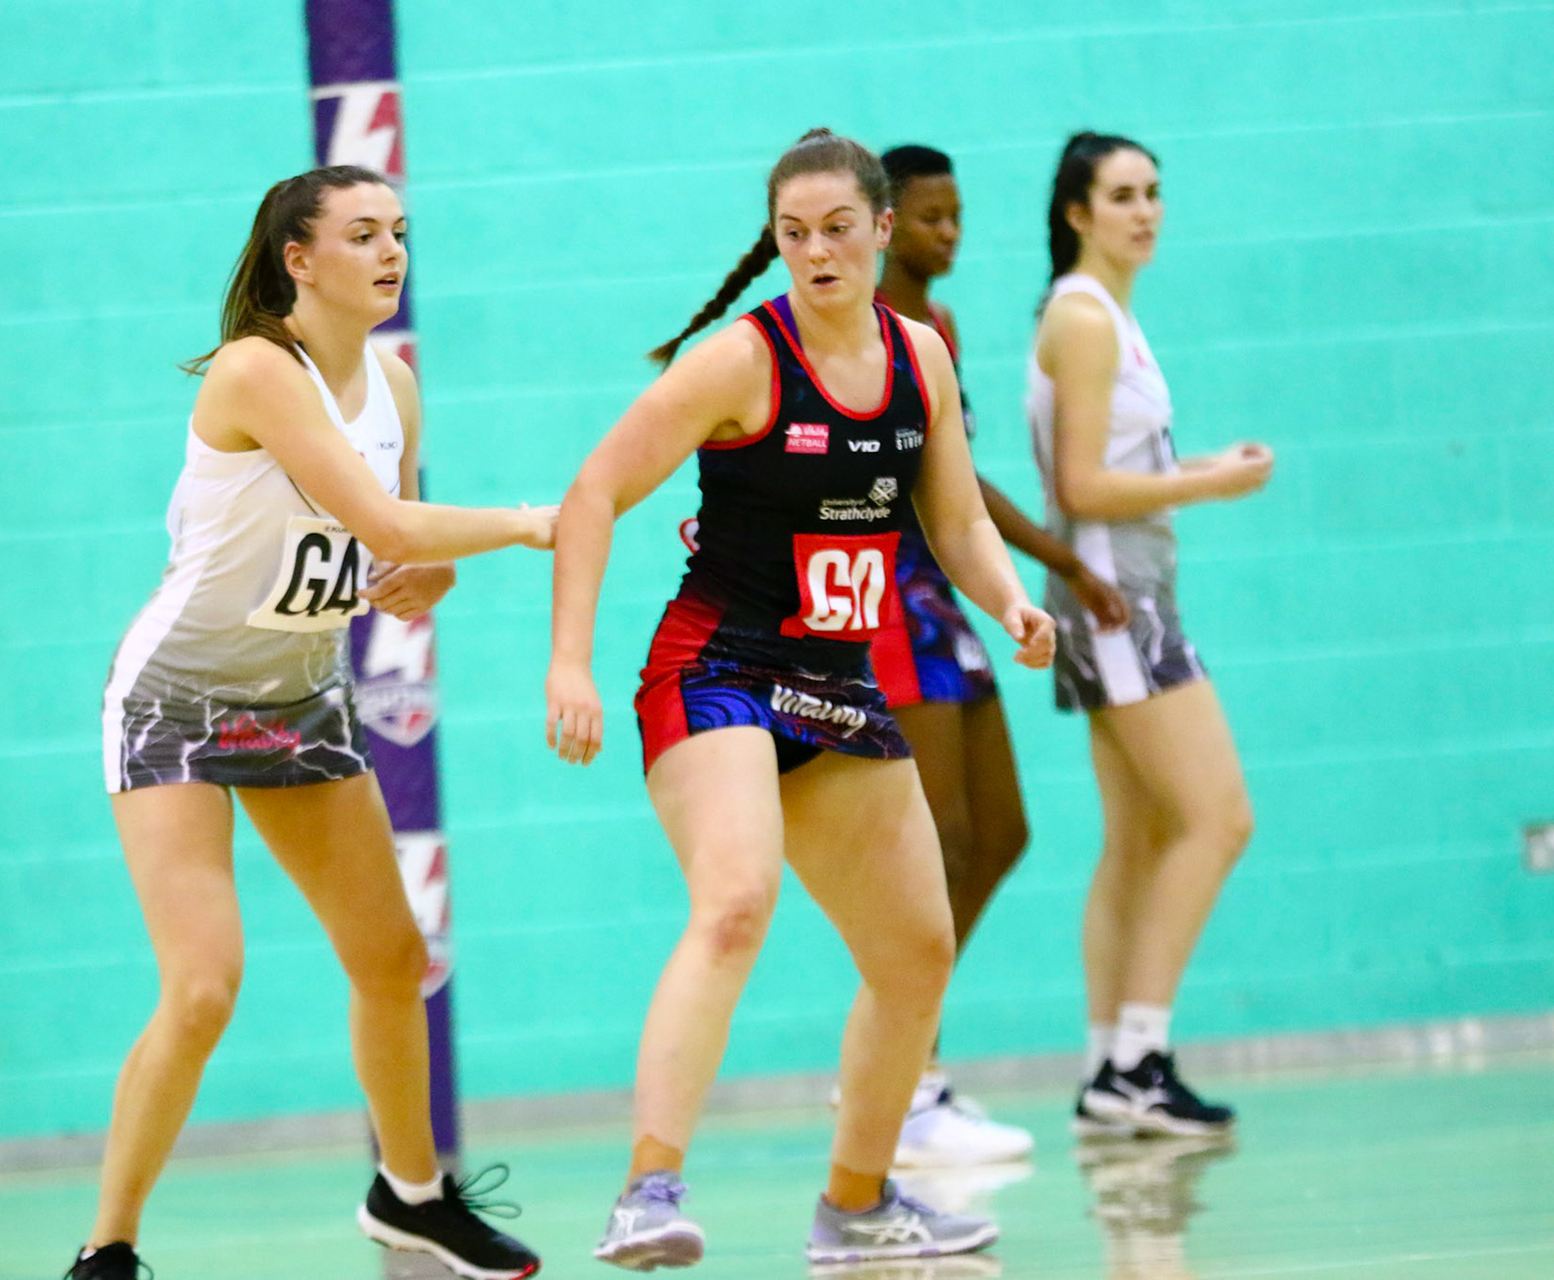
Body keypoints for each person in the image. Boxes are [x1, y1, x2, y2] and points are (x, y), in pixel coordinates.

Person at [545, 129, 1055, 1270]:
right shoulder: (741, 359)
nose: (816, 251)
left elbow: (957, 517)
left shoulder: (918, 355)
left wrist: (1012, 603)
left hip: (835, 683)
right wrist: (568, 660)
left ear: (880, 228)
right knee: (735, 899)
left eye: (836, 228)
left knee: (918, 951)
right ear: (774, 242)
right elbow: (592, 491)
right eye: (793, 234)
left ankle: (858, 1202)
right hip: (716, 668)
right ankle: (646, 1188)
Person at [74, 165, 552, 1280]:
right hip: (175, 699)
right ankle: (107, 1246)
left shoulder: (394, 381)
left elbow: (393, 541)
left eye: (400, 233)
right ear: (299, 258)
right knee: (203, 985)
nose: (391, 253)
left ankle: (412, 1193)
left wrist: (428, 575)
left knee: (392, 956)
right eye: (363, 234)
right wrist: (538, 523)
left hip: (298, 694)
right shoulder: (257, 369)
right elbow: (383, 511)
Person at [867, 144, 1132, 1168]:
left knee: (1002, 832)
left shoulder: (939, 328)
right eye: (932, 216)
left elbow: (958, 477)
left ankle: (903, 1054)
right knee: (933, 845)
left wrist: (1052, 559)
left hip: (945, 592)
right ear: (889, 221)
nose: (952, 233)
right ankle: (899, 1078)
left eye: (959, 214)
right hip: (885, 598)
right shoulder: (869, 325)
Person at [1026, 133, 1272, 1138]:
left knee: (1135, 839)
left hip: (1127, 595)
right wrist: (1207, 482)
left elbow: (1114, 466)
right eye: (1122, 195)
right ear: (1078, 212)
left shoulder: (1108, 315)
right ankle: (1141, 1057)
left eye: (1155, 192)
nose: (1146, 210)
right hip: (1116, 605)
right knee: (1219, 818)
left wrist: (1190, 464)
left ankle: (1105, 1069)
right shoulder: (1082, 318)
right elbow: (1078, 488)